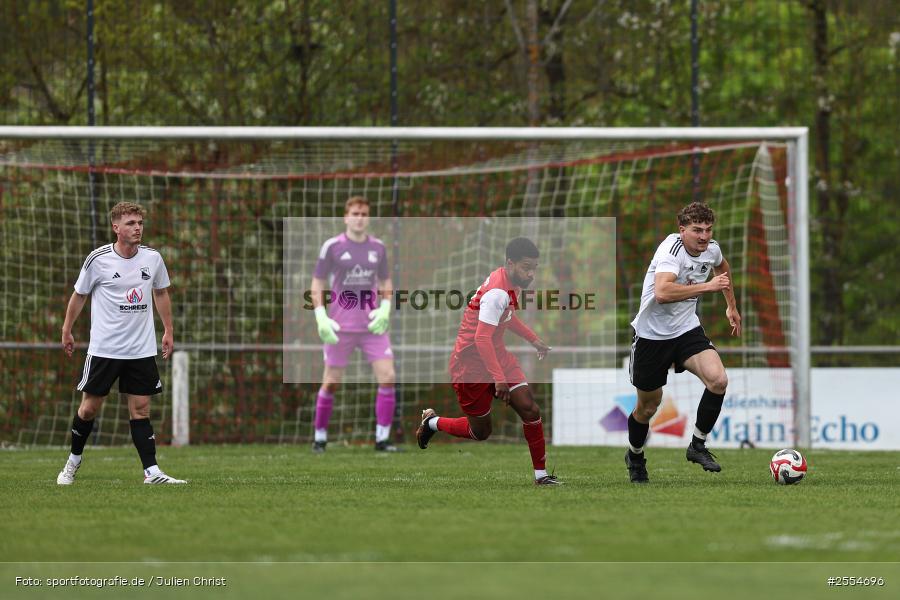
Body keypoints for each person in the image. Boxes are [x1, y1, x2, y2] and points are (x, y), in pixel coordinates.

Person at [416, 237, 561, 486]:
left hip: (497, 356)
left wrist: (533, 340)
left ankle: (541, 476)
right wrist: (499, 379)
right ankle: (432, 423)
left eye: (534, 268)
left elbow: (507, 318)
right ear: (510, 263)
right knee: (480, 432)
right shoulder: (496, 292)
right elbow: (481, 338)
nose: (531, 274)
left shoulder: (509, 283)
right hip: (469, 365)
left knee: (530, 408)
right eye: (527, 267)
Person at [57, 202, 185, 485]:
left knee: (140, 409)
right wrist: (67, 329)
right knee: (89, 408)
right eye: (130, 223)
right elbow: (79, 296)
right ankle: (72, 463)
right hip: (105, 349)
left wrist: (168, 329)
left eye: (139, 222)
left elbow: (161, 292)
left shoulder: (152, 259)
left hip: (140, 349)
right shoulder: (98, 259)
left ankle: (152, 472)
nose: (137, 227)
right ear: (116, 227)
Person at [625, 201, 742, 483]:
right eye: (697, 230)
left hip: (687, 331)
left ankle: (697, 445)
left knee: (718, 380)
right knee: (648, 407)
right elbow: (663, 292)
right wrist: (708, 287)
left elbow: (722, 269)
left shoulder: (711, 249)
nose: (704, 236)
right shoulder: (670, 251)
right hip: (652, 337)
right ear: (682, 230)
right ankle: (636, 456)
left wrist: (731, 307)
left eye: (708, 230)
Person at [310, 196, 398, 452]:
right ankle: (320, 438)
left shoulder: (378, 248)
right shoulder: (332, 246)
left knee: (388, 376)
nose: (360, 218)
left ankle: (382, 439)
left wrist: (384, 308)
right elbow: (317, 283)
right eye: (355, 213)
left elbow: (385, 282)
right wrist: (320, 316)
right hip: (340, 327)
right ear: (346, 217)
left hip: (372, 326)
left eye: (364, 214)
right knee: (331, 381)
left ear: (368, 218)